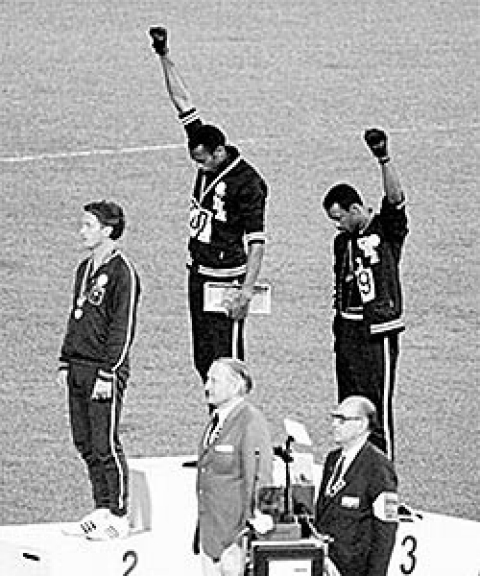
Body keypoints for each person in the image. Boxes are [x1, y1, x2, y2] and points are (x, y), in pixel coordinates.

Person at [149, 27, 269, 385]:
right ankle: (218, 425)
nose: (198, 168)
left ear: (220, 152)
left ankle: (238, 431)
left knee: (227, 363)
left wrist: (246, 290)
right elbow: (182, 100)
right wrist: (163, 53)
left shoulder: (248, 184)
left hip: (226, 280)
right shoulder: (204, 144)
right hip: (198, 274)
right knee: (204, 361)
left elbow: (257, 242)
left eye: (203, 162)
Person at [57, 200, 141, 540]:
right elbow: (75, 315)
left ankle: (119, 515)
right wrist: (65, 359)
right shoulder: (84, 267)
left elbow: (123, 328)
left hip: (103, 371)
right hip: (77, 365)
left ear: (108, 230)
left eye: (88, 225)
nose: (82, 231)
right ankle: (101, 507)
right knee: (85, 442)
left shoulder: (124, 273)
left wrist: (109, 373)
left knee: (105, 442)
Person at [322, 128, 408, 460]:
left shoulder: (386, 230)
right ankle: (354, 474)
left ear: (356, 207)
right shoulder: (341, 242)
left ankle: (384, 481)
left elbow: (396, 199)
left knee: (377, 409)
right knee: (349, 405)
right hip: (346, 331)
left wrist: (383, 158)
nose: (338, 226)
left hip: (376, 333)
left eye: (340, 218)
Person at [195, 358, 273, 576]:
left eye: (214, 381)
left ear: (236, 385)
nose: (207, 387)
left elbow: (259, 476)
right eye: (207, 380)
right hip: (210, 536)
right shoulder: (215, 421)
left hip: (235, 540)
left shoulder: (250, 421)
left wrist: (251, 527)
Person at [314, 396, 399, 576]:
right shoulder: (333, 459)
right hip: (326, 565)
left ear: (361, 425)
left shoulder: (378, 466)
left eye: (342, 419)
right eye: (334, 418)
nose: (334, 425)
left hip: (355, 568)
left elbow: (385, 530)